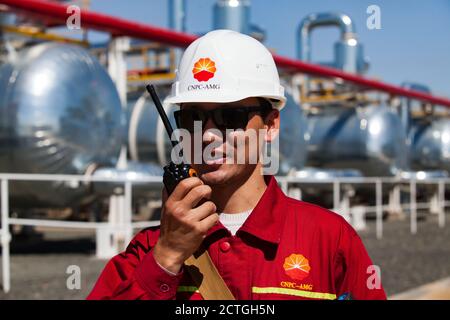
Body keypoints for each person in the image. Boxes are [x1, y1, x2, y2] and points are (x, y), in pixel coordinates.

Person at [87, 29, 386, 300]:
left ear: (270, 125)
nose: (207, 135)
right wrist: (166, 259)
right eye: (193, 118)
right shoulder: (150, 248)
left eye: (231, 117)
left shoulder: (329, 239)